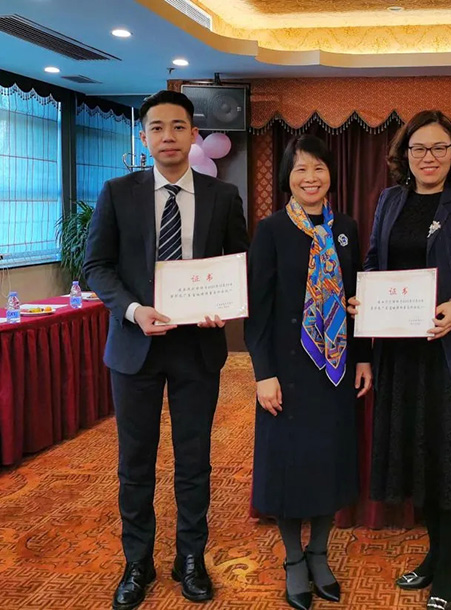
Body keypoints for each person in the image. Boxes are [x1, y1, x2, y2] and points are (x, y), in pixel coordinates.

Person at [83, 90, 249, 610]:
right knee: (135, 462)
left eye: (178, 127)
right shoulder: (117, 192)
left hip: (197, 348)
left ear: (194, 135)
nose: (168, 137)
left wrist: (224, 304)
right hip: (135, 347)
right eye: (157, 128)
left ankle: (190, 558)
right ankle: (137, 562)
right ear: (144, 137)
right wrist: (134, 310)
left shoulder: (222, 196)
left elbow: (237, 264)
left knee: (193, 461)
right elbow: (96, 267)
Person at [348, 110, 451, 610]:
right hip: (402, 354)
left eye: (438, 148)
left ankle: (448, 571)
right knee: (421, 459)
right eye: (418, 148)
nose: (428, 157)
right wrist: (365, 298)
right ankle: (435, 555)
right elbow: (374, 262)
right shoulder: (390, 200)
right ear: (405, 155)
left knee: (449, 463)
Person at [245, 135, 373, 610]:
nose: (311, 177)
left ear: (330, 174)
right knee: (288, 467)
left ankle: (320, 552)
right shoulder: (271, 230)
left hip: (336, 368)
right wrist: (263, 373)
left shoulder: (347, 228)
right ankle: (294, 559)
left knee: (328, 463)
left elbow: (359, 298)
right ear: (288, 178)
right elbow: (258, 310)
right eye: (300, 169)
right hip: (287, 371)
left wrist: (363, 356)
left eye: (318, 167)